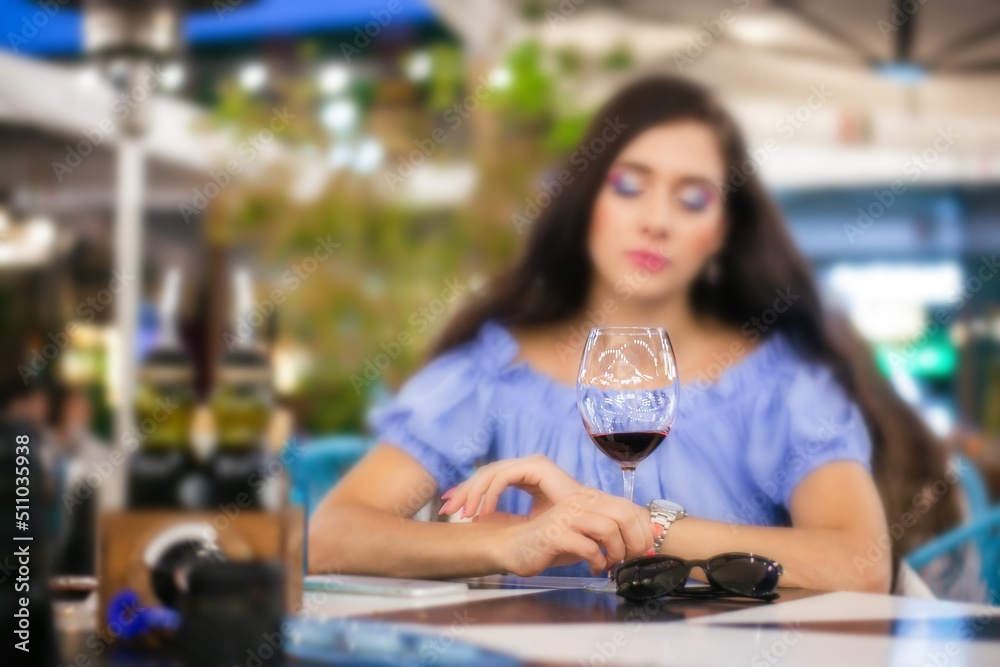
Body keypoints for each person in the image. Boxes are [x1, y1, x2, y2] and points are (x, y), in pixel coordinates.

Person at [308, 76, 959, 591]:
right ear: (586, 199)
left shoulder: (779, 381)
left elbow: (860, 563)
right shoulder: (494, 369)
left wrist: (641, 527)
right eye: (629, 185)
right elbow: (332, 534)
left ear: (722, 236)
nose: (656, 220)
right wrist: (507, 541)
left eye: (693, 198)